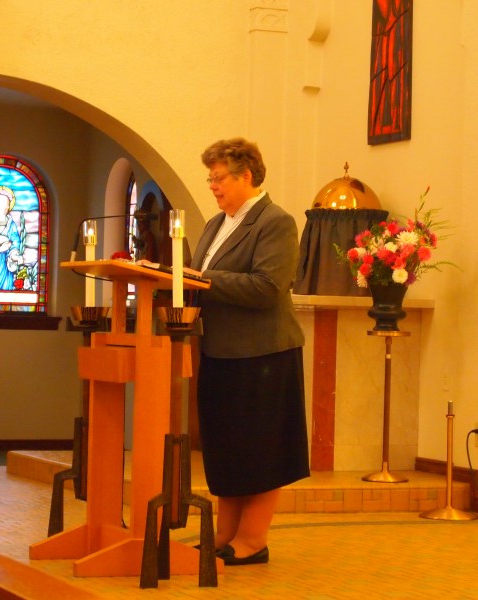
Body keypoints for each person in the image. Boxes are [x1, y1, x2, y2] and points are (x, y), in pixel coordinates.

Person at [190, 138, 309, 566]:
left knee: (260, 451)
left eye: (218, 178)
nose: (212, 186)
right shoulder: (214, 224)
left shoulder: (275, 222)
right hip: (221, 352)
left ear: (246, 176)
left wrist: (202, 279)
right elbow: (204, 279)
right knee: (228, 448)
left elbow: (267, 287)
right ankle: (225, 534)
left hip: (264, 355)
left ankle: (253, 540)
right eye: (210, 178)